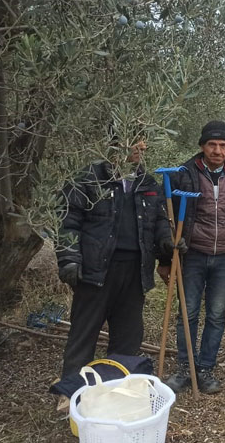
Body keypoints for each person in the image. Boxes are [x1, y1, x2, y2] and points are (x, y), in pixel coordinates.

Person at [57, 138, 176, 379]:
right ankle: (72, 393)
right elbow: (68, 221)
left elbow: (159, 221)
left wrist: (166, 244)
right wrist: (69, 258)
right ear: (116, 144)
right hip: (95, 269)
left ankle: (117, 390)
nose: (140, 153)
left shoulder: (148, 182)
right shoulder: (89, 178)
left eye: (143, 148)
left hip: (135, 271)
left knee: (128, 336)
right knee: (84, 333)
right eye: (135, 147)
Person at [163, 121, 225, 394]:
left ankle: (205, 368)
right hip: (192, 254)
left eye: (223, 145)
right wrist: (166, 255)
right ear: (202, 146)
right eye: (212, 144)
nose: (217, 150)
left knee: (217, 315)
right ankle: (184, 368)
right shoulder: (184, 174)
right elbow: (166, 217)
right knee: (187, 313)